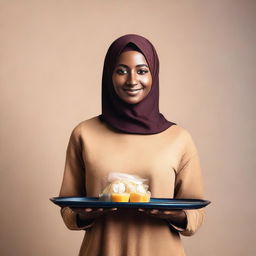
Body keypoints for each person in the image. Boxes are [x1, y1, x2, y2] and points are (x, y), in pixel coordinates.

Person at [59, 34, 205, 256]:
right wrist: (86, 214)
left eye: (142, 70)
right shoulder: (84, 133)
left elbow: (196, 214)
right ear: (109, 75)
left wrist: (174, 215)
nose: (132, 80)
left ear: (153, 75)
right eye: (121, 71)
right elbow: (68, 210)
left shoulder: (178, 138)